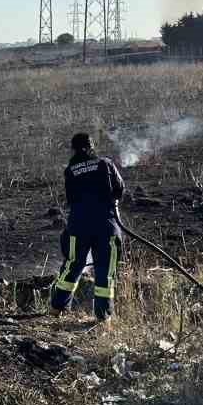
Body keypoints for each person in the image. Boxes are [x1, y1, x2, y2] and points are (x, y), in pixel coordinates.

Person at [49, 132, 126, 320]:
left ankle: (56, 308)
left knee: (73, 265)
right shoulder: (105, 163)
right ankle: (103, 318)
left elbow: (71, 199)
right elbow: (120, 189)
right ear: (92, 147)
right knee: (105, 272)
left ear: (74, 149)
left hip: (78, 227)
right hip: (107, 227)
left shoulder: (70, 170)